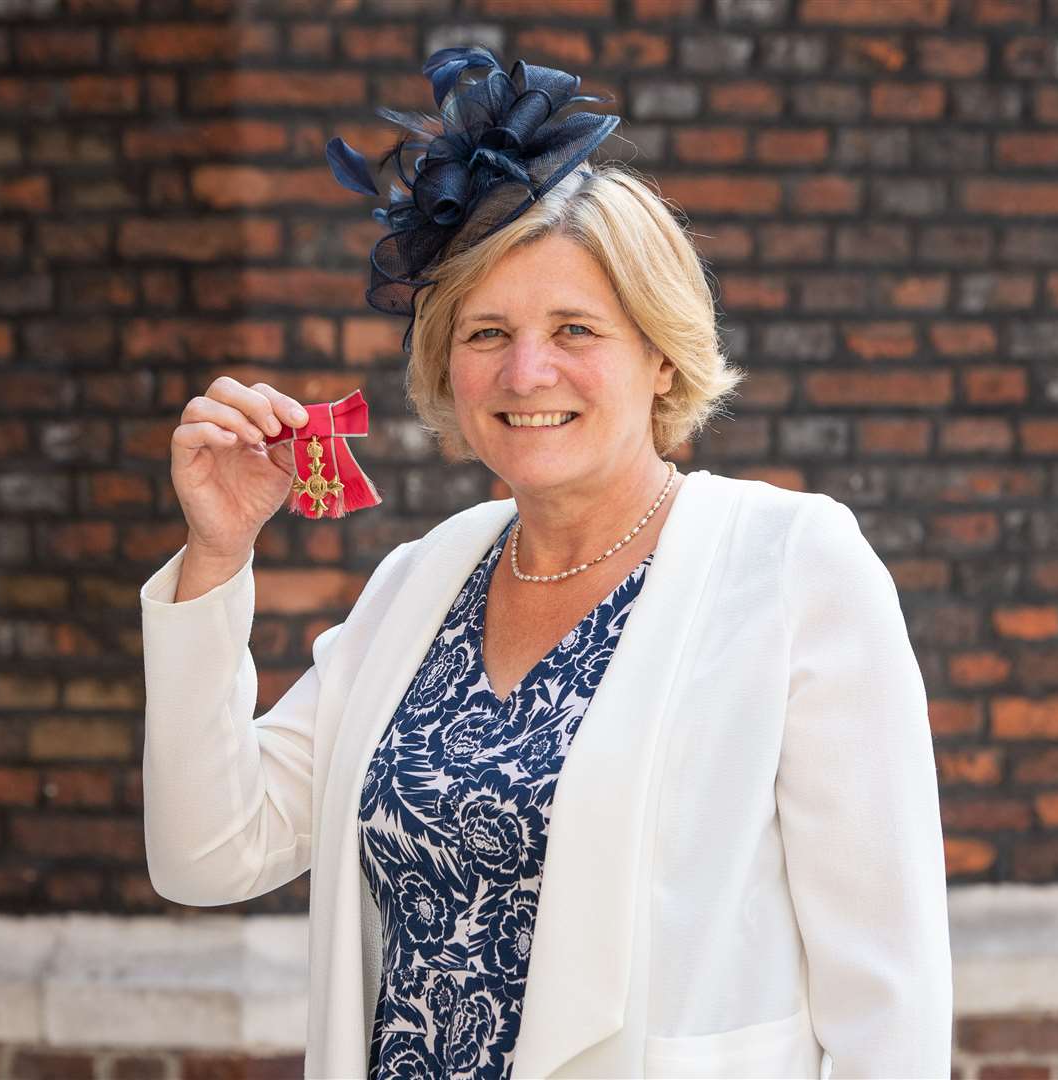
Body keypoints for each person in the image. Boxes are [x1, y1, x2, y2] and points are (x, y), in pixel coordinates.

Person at [139, 45, 951, 1080]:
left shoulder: (791, 567)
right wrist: (216, 555)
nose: (527, 373)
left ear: (659, 352)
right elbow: (208, 850)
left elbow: (890, 998)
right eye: (486, 332)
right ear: (445, 365)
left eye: (575, 328)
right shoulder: (417, 584)